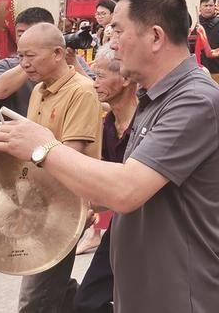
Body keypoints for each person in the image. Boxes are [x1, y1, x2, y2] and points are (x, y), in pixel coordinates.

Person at [0, 0, 219, 313]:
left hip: (183, 295)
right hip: (146, 290)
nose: (110, 43)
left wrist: (44, 147)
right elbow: (132, 187)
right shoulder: (155, 98)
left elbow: (126, 190)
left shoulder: (194, 100)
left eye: (117, 30)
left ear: (155, 36)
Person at [16, 24, 104, 311]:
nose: (24, 63)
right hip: (39, 204)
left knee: (35, 299)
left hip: (64, 207)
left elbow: (69, 155)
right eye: (20, 56)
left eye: (30, 56)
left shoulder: (81, 91)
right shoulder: (38, 90)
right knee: (54, 286)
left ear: (57, 53)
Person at [73, 45, 138, 313]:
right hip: (123, 225)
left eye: (100, 76)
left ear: (125, 79)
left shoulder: (151, 121)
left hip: (156, 228)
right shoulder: (107, 125)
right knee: (87, 302)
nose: (94, 83)